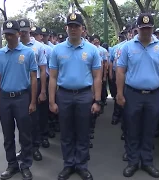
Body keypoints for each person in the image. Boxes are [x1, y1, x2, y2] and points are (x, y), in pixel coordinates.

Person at [116, 13, 159, 178]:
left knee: (149, 129)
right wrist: (119, 93)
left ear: (152, 28)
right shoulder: (127, 47)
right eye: (142, 28)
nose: (145, 31)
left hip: (154, 95)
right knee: (132, 129)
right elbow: (120, 71)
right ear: (137, 29)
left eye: (148, 28)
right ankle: (133, 161)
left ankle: (147, 161)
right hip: (133, 94)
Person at [49, 13, 102, 180]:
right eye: (70, 26)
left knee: (82, 131)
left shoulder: (92, 50)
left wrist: (97, 100)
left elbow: (97, 77)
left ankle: (81, 165)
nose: (73, 29)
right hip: (63, 95)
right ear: (66, 28)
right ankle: (68, 164)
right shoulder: (57, 50)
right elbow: (52, 77)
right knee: (66, 132)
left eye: (76, 26)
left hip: (84, 95)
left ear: (82, 29)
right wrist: (51, 100)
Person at [0, 20, 37, 180]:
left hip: (22, 98)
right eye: (7, 35)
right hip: (5, 98)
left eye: (12, 34)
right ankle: (12, 165)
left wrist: (33, 101)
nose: (9, 37)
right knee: (8, 135)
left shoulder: (28, 53)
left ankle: (25, 165)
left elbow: (33, 78)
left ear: (19, 34)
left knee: (25, 134)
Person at [17, 19, 47, 162]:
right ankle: (24, 148)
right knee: (21, 119)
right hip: (20, 88)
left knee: (35, 119)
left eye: (25, 30)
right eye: (21, 30)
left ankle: (35, 147)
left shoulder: (39, 47)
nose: (23, 32)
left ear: (30, 30)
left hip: (36, 85)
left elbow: (43, 69)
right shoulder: (13, 46)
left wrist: (43, 91)